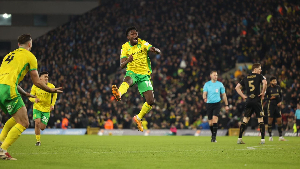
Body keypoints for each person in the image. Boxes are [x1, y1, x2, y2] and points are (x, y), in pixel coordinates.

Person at [0, 34, 63, 160]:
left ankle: (1, 142)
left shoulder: (8, 56)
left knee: (15, 118)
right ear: (30, 44)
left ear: (18, 44)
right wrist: (50, 89)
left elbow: (8, 79)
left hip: (1, 87)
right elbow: (37, 82)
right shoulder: (30, 56)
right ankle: (3, 150)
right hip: (9, 89)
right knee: (24, 122)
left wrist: (25, 93)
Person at [111, 27, 160, 132]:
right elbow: (121, 65)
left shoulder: (143, 43)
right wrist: (128, 60)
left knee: (151, 101)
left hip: (144, 75)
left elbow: (153, 49)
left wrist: (155, 50)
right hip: (132, 72)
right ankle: (119, 93)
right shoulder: (125, 47)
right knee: (128, 80)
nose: (135, 35)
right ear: (128, 37)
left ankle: (138, 118)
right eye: (132, 34)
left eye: (136, 33)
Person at [235, 63, 267, 144]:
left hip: (249, 100)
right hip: (256, 100)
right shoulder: (259, 76)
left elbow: (237, 87)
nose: (261, 70)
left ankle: (239, 139)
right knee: (260, 120)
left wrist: (243, 96)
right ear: (255, 69)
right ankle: (262, 140)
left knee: (245, 119)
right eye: (259, 69)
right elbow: (265, 83)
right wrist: (263, 93)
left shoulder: (246, 77)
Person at [29, 71, 58, 146]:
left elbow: (55, 95)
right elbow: (30, 97)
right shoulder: (35, 86)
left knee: (42, 127)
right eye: (45, 76)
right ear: (40, 78)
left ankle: (39, 136)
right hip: (37, 107)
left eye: (47, 77)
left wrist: (52, 104)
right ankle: (38, 141)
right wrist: (34, 100)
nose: (47, 78)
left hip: (46, 109)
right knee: (37, 122)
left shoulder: (51, 86)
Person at [203, 71, 229, 142]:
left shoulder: (220, 84)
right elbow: (204, 93)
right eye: (214, 75)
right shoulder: (207, 84)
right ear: (210, 75)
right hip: (209, 104)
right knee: (210, 122)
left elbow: (224, 95)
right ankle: (213, 135)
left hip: (217, 104)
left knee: (215, 119)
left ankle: (213, 138)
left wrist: (226, 105)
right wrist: (204, 98)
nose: (216, 77)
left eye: (216, 75)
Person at [264, 76, 286, 141]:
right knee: (270, 121)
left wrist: (280, 102)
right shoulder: (268, 89)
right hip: (271, 106)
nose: (275, 82)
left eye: (275, 81)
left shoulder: (278, 87)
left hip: (277, 106)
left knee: (279, 121)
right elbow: (264, 97)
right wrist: (269, 98)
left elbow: (281, 96)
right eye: (273, 81)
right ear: (270, 82)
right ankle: (270, 136)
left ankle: (280, 136)